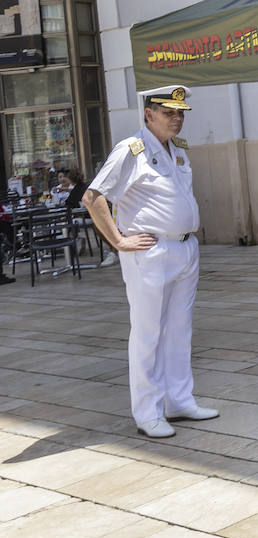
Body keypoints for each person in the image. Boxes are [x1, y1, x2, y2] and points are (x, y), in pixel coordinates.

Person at [83, 85, 218, 438]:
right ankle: (147, 412)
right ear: (149, 114)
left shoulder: (178, 152)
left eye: (181, 112)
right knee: (148, 334)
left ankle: (179, 400)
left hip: (184, 249)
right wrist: (118, 240)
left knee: (179, 330)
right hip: (150, 252)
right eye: (169, 112)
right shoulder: (131, 151)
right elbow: (93, 197)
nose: (178, 118)